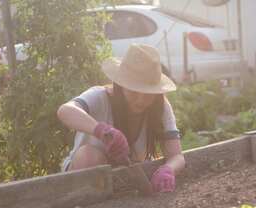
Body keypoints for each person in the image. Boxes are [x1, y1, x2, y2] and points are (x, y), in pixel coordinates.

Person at [57, 44, 185, 193]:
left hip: (127, 183)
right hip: (80, 180)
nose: (140, 100)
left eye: (148, 93)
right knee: (89, 156)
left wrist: (169, 169)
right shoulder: (100, 97)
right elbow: (65, 111)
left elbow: (176, 155)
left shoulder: (160, 107)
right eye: (134, 91)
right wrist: (101, 131)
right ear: (121, 85)